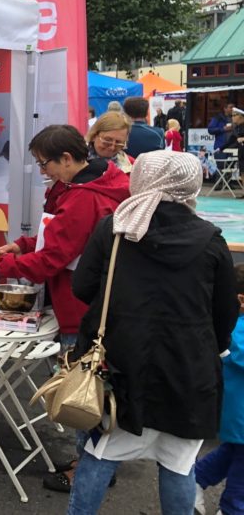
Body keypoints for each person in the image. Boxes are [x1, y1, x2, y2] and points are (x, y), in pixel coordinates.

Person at [0, 124, 130, 494]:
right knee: (90, 387)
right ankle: (93, 462)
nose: (43, 171)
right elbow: (56, 235)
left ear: (67, 159)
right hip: (90, 301)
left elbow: (54, 257)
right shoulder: (90, 184)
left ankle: (90, 469)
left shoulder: (83, 197)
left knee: (81, 392)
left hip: (80, 306)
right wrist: (21, 245)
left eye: (44, 163)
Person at [66, 151, 237, 515]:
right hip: (188, 370)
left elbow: (82, 287)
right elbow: (225, 314)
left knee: (101, 454)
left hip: (120, 363)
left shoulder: (115, 228)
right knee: (178, 463)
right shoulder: (210, 240)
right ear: (189, 185)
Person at [194, 264, 244, 515]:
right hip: (240, 413)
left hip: (238, 415)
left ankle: (195, 481)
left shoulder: (232, 325)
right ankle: (233, 508)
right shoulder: (237, 328)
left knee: (233, 452)